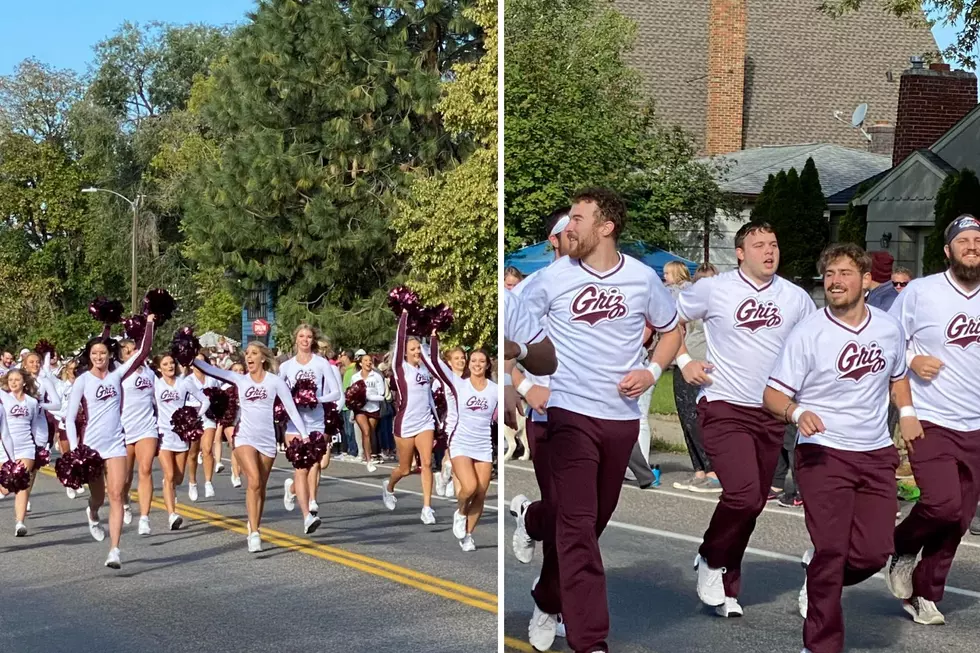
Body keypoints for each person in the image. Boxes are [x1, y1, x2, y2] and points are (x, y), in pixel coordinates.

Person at [510, 188, 682, 653]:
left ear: (605, 227)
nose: (569, 227)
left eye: (579, 219)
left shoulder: (644, 280)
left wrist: (651, 371)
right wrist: (522, 385)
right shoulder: (549, 279)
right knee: (579, 527)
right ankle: (591, 640)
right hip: (568, 416)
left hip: (620, 419)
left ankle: (545, 583)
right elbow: (509, 332)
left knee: (588, 524)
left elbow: (671, 330)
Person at [763, 243, 913, 653]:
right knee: (831, 550)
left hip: (875, 451)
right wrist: (796, 413)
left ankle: (819, 578)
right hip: (823, 452)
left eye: (845, 273)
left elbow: (898, 377)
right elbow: (773, 395)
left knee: (873, 553)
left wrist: (910, 411)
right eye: (829, 274)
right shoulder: (808, 332)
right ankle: (821, 643)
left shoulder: (888, 328)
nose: (835, 281)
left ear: (866, 280)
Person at [675, 221, 816, 617]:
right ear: (740, 253)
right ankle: (711, 560)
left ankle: (724, 577)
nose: (768, 252)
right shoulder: (715, 288)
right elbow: (668, 319)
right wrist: (684, 360)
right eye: (758, 245)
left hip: (771, 411)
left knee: (753, 501)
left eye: (773, 244)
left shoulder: (796, 297)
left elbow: (812, 347)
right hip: (723, 405)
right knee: (740, 494)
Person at [885, 214, 980, 625]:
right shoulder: (921, 292)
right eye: (964, 241)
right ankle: (901, 546)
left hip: (976, 422)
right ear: (947, 251)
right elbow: (885, 340)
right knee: (941, 505)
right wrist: (911, 359)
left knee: (959, 518)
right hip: (930, 418)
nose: (972, 246)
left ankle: (925, 592)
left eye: (978, 239)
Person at [194, 342, 308, 551]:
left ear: (263, 358)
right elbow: (211, 369)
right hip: (244, 436)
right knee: (253, 480)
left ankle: (254, 523)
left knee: (260, 487)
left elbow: (291, 409)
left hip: (266, 439)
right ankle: (254, 532)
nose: (249, 357)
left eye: (254, 353)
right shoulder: (239, 379)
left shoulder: (274, 382)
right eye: (247, 354)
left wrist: (304, 434)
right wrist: (189, 357)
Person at [65, 315, 156, 569]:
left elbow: (143, 352)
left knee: (117, 494)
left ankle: (114, 550)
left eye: (103, 352)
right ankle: (92, 513)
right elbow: (70, 419)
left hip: (116, 444)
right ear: (89, 356)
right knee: (99, 497)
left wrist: (149, 323)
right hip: (92, 448)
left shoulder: (117, 376)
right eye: (94, 353)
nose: (99, 357)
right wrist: (75, 450)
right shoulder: (83, 381)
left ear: (109, 355)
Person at [423, 337, 497, 551]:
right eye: (472, 360)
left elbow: (501, 414)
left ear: (487, 364)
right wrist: (433, 338)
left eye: (481, 361)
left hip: (483, 444)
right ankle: (460, 512)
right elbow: (435, 363)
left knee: (481, 492)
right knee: (470, 487)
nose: (476, 364)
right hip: (461, 442)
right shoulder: (458, 383)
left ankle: (468, 535)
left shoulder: (494, 389)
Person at [279, 324, 341, 534]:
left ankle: (292, 489)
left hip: (316, 421)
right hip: (294, 424)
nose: (305, 340)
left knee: (314, 464)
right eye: (301, 336)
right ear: (295, 339)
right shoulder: (286, 367)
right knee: (301, 468)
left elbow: (335, 393)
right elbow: (280, 394)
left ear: (312, 340)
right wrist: (291, 402)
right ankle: (307, 516)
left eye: (309, 336)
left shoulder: (321, 363)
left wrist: (316, 399)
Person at [665, 262, 721, 493]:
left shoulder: (722, 303)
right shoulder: (691, 301)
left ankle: (714, 471)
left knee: (701, 419)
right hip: (687, 361)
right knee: (686, 417)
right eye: (702, 281)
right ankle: (698, 469)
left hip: (707, 365)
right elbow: (672, 323)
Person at [382, 311, 438, 524]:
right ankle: (389, 487)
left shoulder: (425, 369)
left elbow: (434, 357)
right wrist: (404, 316)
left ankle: (426, 507)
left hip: (425, 421)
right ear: (404, 353)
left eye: (418, 348)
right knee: (405, 468)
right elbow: (399, 339)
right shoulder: (401, 369)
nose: (417, 352)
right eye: (412, 349)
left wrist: (433, 336)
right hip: (405, 423)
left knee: (426, 463)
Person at [153, 354, 210, 532]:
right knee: (169, 475)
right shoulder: (156, 384)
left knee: (178, 477)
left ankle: (169, 486)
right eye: (165, 364)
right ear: (159, 368)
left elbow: (205, 400)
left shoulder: (184, 382)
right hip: (163, 433)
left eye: (172, 362)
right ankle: (172, 515)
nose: (170, 366)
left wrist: (194, 418)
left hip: (181, 434)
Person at [0, 367, 56, 536]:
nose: (14, 383)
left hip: (26, 447)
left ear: (24, 382)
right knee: (6, 486)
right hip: (4, 448)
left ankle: (20, 523)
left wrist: (40, 445)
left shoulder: (32, 402)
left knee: (22, 484)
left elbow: (35, 426)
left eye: (17, 380)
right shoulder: (3, 398)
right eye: (10, 380)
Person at [118, 338, 160, 535]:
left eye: (135, 349)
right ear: (122, 357)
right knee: (125, 477)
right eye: (128, 352)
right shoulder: (120, 374)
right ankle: (125, 502)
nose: (133, 353)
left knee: (145, 469)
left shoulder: (151, 374)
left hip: (147, 428)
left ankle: (144, 517)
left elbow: (158, 400)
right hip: (125, 429)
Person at [350, 352, 386, 473]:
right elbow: (351, 393)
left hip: (373, 408)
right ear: (360, 363)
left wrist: (368, 397)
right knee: (365, 431)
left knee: (370, 432)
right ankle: (368, 460)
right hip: (360, 409)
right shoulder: (355, 377)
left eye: (370, 361)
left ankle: (370, 454)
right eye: (365, 360)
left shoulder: (376, 377)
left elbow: (382, 395)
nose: (368, 362)